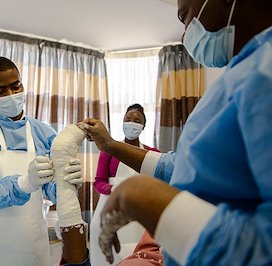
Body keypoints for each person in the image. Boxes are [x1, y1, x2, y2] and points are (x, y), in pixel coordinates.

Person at [82, 0, 272, 265]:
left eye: (185, 18)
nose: (185, 36)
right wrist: (110, 146)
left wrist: (145, 199)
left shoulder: (264, 72)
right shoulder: (244, 71)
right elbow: (191, 168)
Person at [0, 56, 84, 266]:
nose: (10, 95)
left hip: (34, 250)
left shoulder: (43, 133)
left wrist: (69, 183)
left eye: (15, 86)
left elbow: (52, 190)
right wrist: (24, 184)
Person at [90, 104, 162, 265]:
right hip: (109, 210)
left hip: (139, 217)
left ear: (144, 126)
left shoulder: (153, 153)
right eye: (127, 119)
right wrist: (115, 190)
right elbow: (99, 182)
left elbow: (158, 185)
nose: (131, 123)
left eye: (137, 120)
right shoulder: (108, 150)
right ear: (122, 122)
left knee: (136, 255)